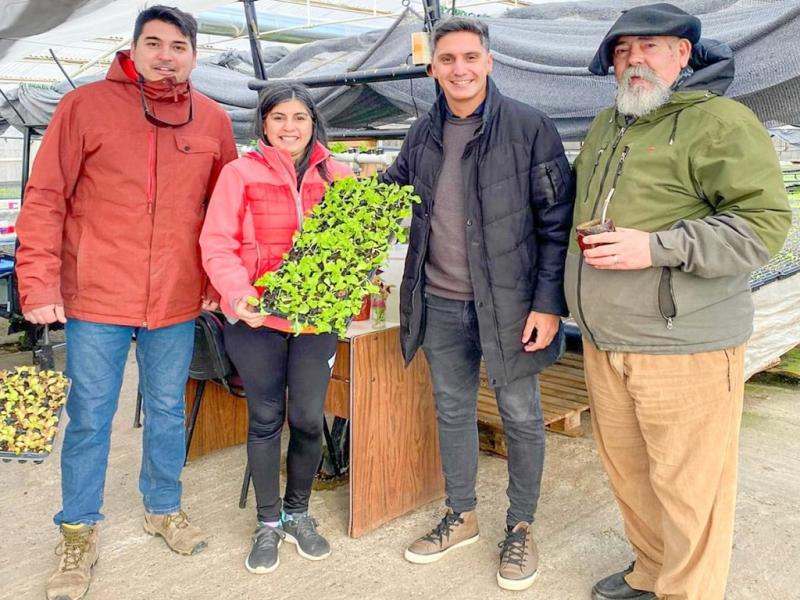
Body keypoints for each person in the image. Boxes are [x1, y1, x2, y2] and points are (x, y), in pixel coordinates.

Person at [565, 4, 792, 600]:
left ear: (684, 54)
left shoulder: (720, 122)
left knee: (691, 488)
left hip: (683, 342)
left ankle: (688, 592)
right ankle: (651, 572)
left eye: (651, 46)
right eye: (622, 50)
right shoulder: (607, 124)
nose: (635, 58)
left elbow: (762, 226)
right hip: (607, 338)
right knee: (632, 476)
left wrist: (656, 246)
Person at [14, 5, 237, 600]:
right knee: (90, 417)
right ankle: (78, 529)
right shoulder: (84, 107)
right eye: (154, 43)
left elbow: (224, 212)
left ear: (194, 54)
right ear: (133, 48)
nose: (167, 55)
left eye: (179, 46)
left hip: (175, 300)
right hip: (96, 297)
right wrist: (37, 285)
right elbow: (45, 197)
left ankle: (163, 507)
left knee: (166, 409)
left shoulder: (212, 120)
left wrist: (220, 281)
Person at [380, 17, 574, 591]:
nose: (459, 69)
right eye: (447, 59)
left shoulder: (529, 128)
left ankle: (520, 525)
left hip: (512, 305)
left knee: (520, 415)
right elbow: (389, 192)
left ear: (489, 62)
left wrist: (547, 304)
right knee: (453, 410)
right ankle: (461, 513)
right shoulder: (422, 133)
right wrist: (321, 178)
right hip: (440, 301)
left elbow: (556, 223)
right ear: (432, 66)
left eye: (470, 57)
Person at [199, 82, 352, 575]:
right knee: (266, 418)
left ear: (313, 123)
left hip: (315, 321)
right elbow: (217, 242)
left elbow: (354, 244)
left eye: (299, 117)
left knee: (308, 418)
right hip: (255, 319)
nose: (290, 127)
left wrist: (353, 281)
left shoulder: (339, 175)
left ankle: (298, 513)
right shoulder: (238, 174)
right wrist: (238, 293)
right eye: (279, 117)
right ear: (263, 123)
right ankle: (268, 524)